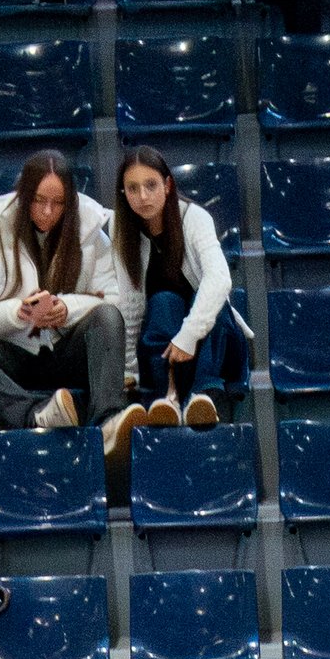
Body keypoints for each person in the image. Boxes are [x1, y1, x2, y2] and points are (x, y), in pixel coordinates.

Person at [0, 151, 121, 444]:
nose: (47, 212)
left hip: (69, 352)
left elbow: (115, 301)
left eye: (58, 203)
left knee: (107, 317)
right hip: (16, 353)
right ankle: (32, 414)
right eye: (39, 200)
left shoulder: (92, 235)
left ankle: (107, 423)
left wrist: (69, 308)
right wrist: (17, 313)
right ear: (23, 196)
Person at [101, 145, 251, 456]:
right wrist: (130, 370)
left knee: (207, 298)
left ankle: (203, 395)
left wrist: (188, 335)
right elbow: (130, 305)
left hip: (213, 347)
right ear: (123, 193)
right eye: (133, 188)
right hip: (161, 350)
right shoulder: (121, 228)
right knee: (164, 301)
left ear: (168, 185)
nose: (143, 196)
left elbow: (220, 278)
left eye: (151, 185)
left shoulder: (194, 218)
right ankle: (167, 396)